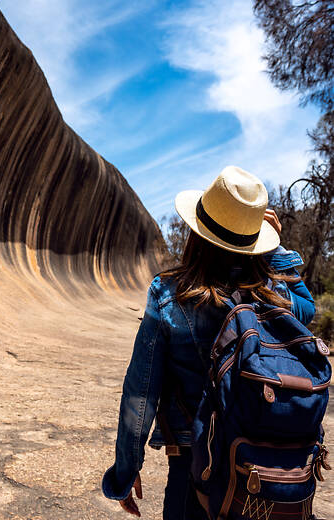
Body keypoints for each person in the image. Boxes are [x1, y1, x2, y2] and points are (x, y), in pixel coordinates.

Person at [101, 166, 316, 518]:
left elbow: (141, 394)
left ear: (196, 233)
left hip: (194, 469)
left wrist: (125, 471)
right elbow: (306, 307)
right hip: (265, 476)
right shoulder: (274, 294)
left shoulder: (171, 294)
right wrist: (277, 252)